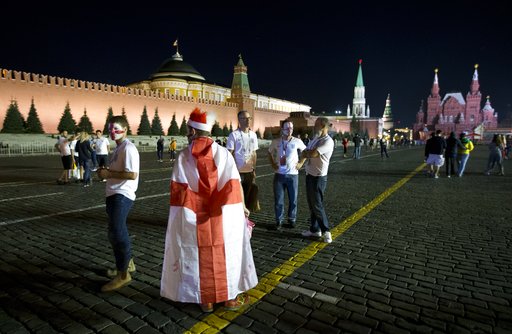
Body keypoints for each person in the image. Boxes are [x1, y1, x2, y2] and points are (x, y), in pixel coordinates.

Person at [161, 108, 257, 313]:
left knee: (197, 255)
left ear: (194, 132)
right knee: (228, 253)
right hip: (223, 217)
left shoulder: (183, 157)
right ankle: (229, 297)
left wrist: (185, 215)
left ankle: (206, 301)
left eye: (188, 130)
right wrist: (242, 208)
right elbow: (234, 185)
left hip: (194, 218)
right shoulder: (223, 153)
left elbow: (179, 191)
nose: (187, 133)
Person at [97, 116, 140, 292]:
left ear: (125, 129)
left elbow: (132, 174)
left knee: (117, 232)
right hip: (114, 193)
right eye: (110, 129)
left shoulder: (128, 148)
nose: (112, 132)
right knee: (115, 232)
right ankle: (126, 264)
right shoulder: (119, 148)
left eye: (116, 129)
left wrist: (108, 174)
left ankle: (123, 275)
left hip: (122, 195)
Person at [301, 117, 334, 243]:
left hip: (319, 177)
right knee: (311, 204)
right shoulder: (316, 139)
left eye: (316, 125)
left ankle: (326, 231)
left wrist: (306, 153)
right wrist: (306, 153)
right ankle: (314, 230)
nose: (314, 127)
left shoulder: (328, 141)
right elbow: (307, 150)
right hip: (310, 174)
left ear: (323, 126)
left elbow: (314, 153)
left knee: (317, 204)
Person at [268, 120, 306, 229]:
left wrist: (301, 163)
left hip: (293, 175)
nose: (290, 130)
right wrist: (273, 164)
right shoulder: (276, 141)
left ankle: (291, 219)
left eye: (291, 128)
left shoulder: (297, 141)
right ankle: (278, 220)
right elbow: (269, 152)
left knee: (293, 199)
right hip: (279, 175)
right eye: (287, 128)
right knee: (279, 200)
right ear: (282, 129)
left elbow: (305, 152)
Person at [226, 110, 260, 212]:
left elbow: (254, 153)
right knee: (238, 197)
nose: (247, 120)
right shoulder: (234, 135)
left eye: (249, 118)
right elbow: (229, 154)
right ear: (239, 120)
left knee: (248, 196)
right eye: (244, 118)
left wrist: (254, 169)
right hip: (238, 171)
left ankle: (246, 219)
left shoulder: (253, 135)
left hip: (249, 171)